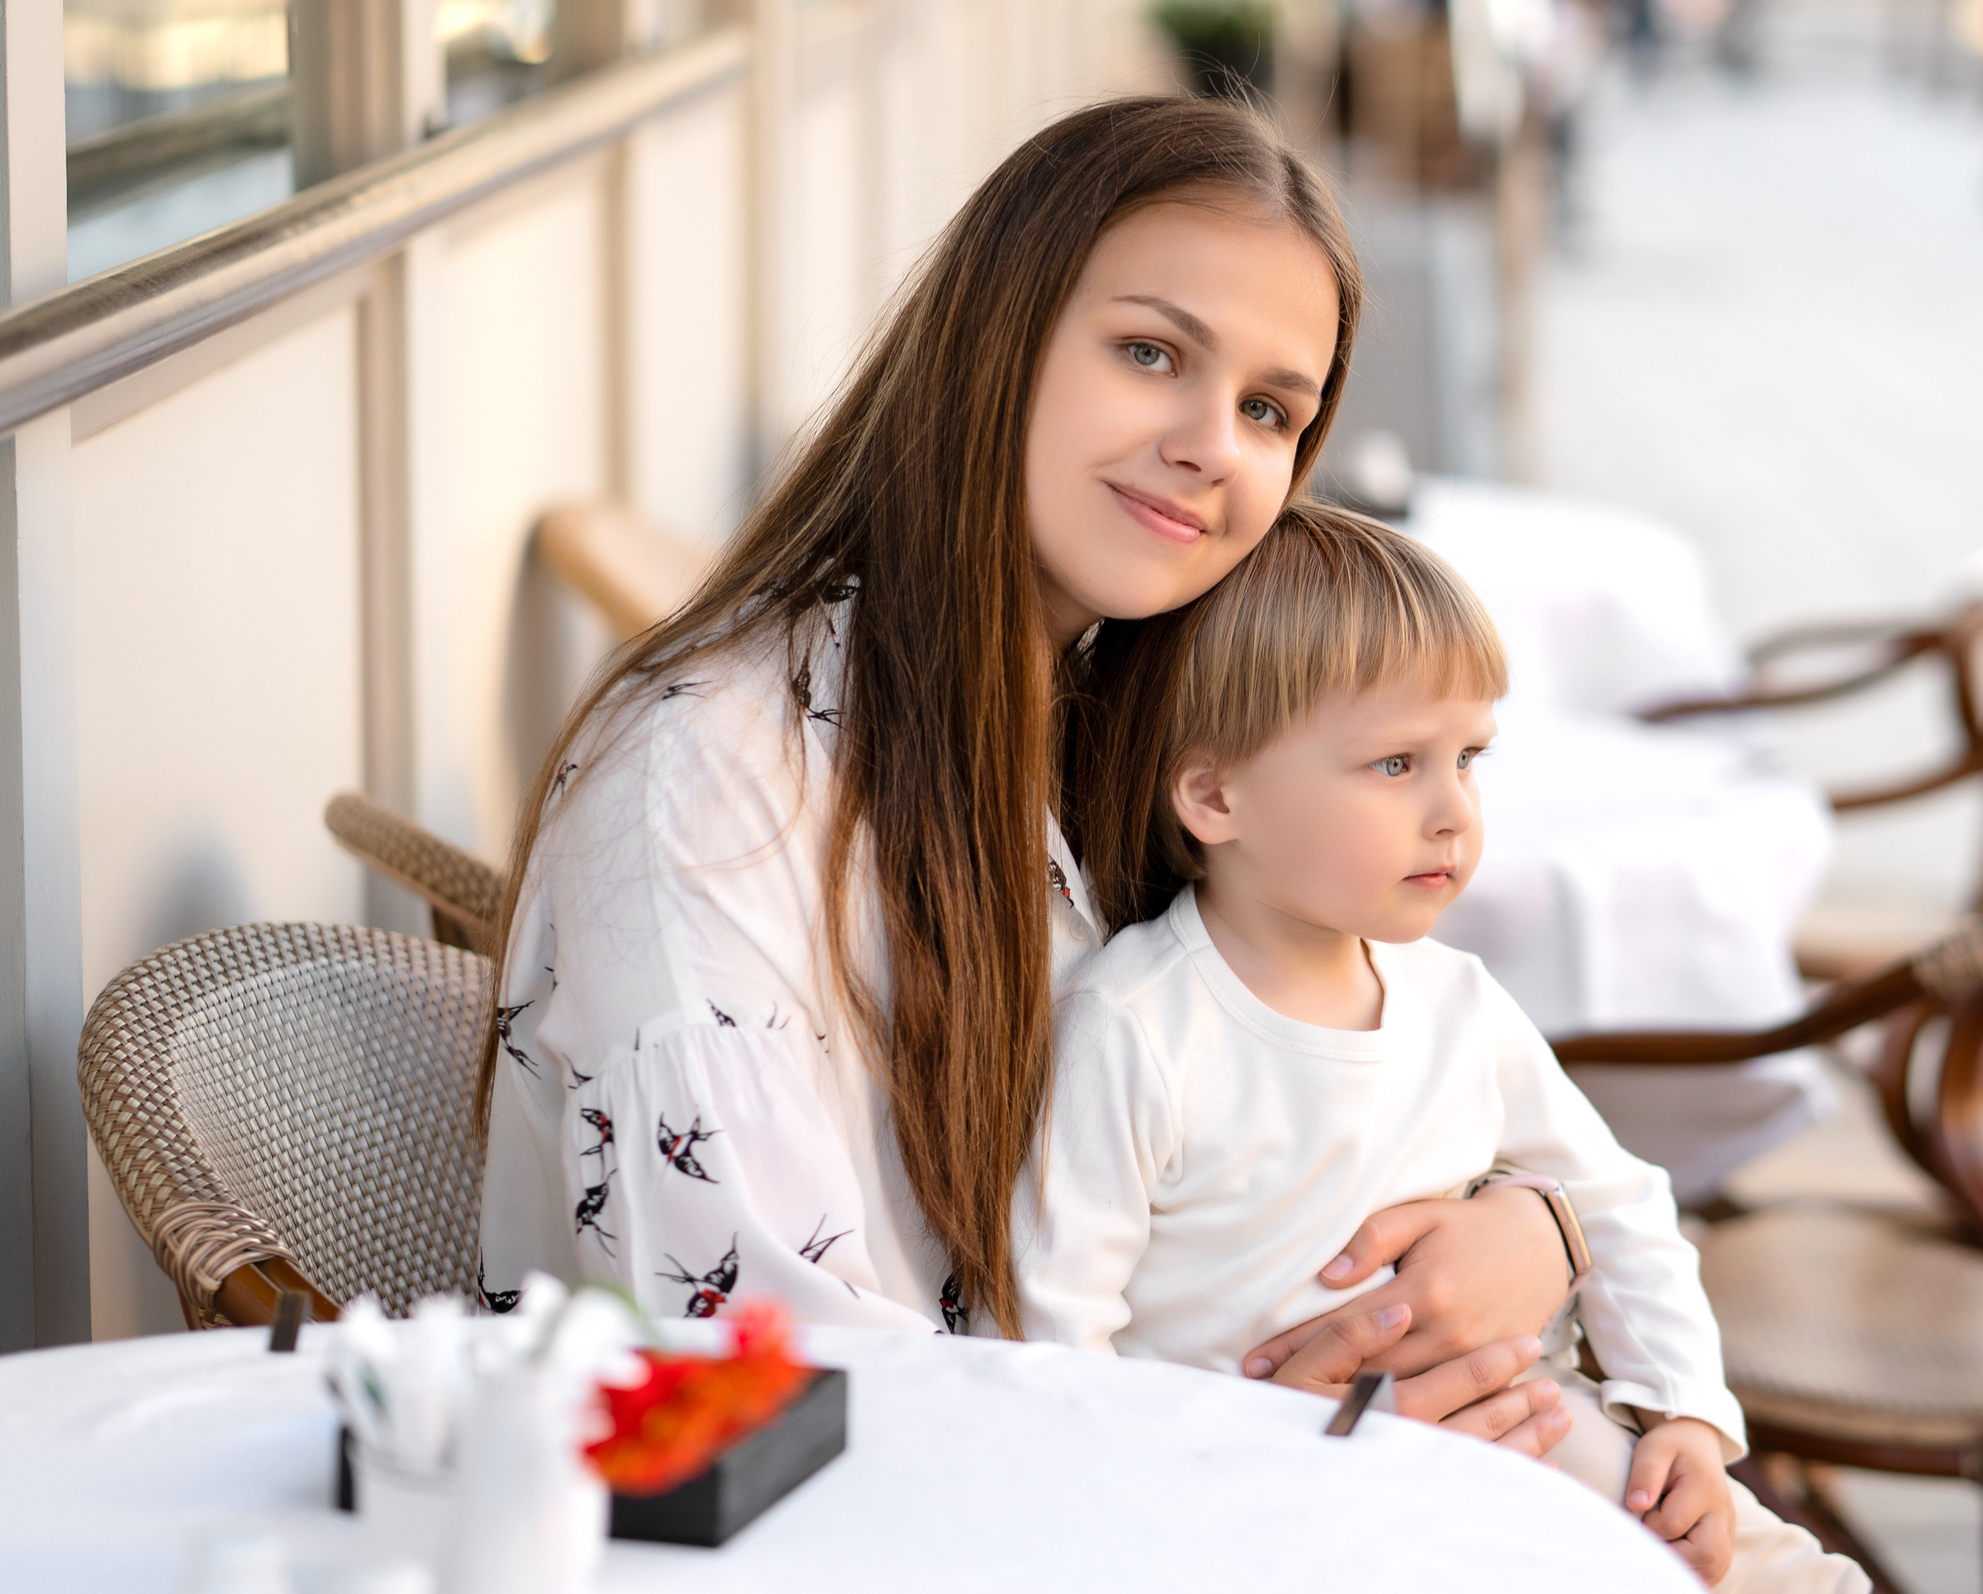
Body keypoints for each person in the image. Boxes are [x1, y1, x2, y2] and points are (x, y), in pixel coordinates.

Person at [472, 94, 1581, 1455]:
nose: (1212, 445)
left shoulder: (1135, 727)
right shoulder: (713, 784)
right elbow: (783, 1390)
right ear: (996, 335)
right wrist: (1256, 1431)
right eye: (1149, 351)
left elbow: (1321, 1085)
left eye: (1268, 409)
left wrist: (1538, 1224)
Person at [1023, 505, 1866, 1590]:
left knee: (1788, 1574)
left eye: (1468, 757)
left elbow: (1616, 1201)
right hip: (1279, 1514)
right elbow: (1052, 1342)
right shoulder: (1136, 1029)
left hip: (1538, 1437)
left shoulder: (1456, 999)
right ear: (1215, 794)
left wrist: (1686, 1416)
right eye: (1394, 764)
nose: (1453, 811)